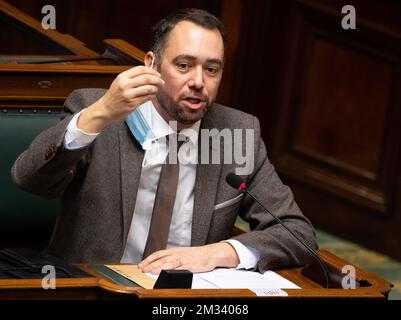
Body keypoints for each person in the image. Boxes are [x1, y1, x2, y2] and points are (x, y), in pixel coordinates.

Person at [11, 8, 316, 275]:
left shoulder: (238, 132)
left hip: (185, 299)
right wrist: (99, 114)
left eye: (211, 69)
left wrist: (216, 253)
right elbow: (32, 180)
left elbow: (297, 233)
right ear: (152, 65)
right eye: (183, 65)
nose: (198, 81)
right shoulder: (98, 113)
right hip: (95, 289)